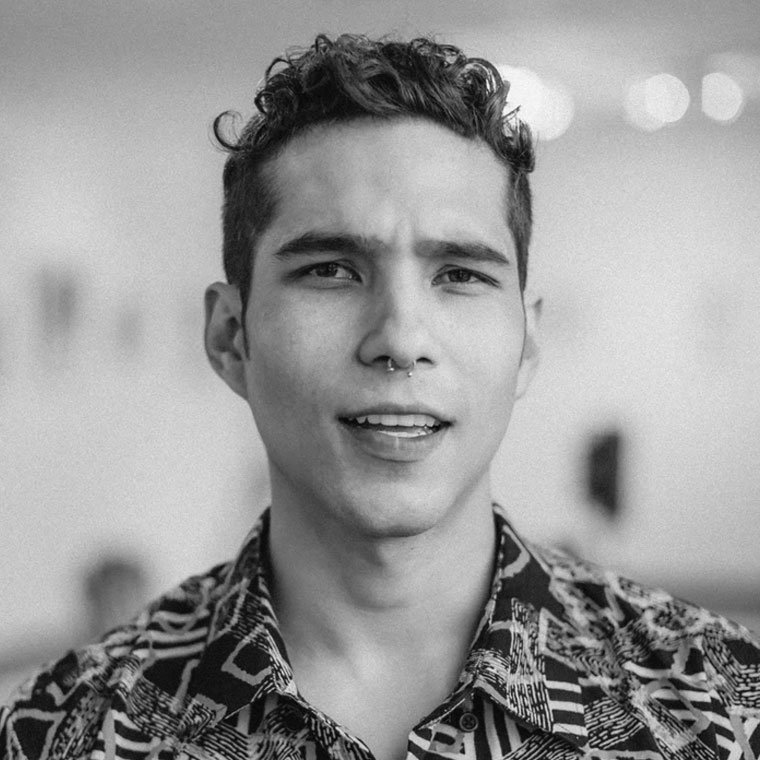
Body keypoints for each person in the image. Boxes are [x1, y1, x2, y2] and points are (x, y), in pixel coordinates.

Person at [2, 33, 759, 760]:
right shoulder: (67, 733)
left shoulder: (721, 710)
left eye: (459, 274)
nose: (399, 338)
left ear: (526, 343)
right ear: (231, 337)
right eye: (330, 271)